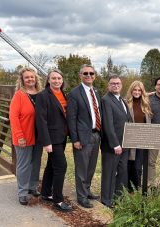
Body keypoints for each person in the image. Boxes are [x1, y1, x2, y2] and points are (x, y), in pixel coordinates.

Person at [35, 69, 72, 212]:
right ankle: (58, 200)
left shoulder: (63, 94)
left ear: (62, 80)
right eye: (54, 78)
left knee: (51, 165)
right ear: (48, 80)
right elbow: (41, 120)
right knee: (61, 166)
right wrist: (46, 142)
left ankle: (45, 192)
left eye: (59, 78)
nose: (57, 81)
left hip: (62, 136)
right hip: (52, 138)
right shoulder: (43, 96)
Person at [67, 64, 101, 208]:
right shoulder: (75, 93)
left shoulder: (96, 92)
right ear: (80, 75)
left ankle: (87, 191)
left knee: (91, 167)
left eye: (91, 73)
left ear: (94, 76)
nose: (89, 76)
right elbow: (71, 118)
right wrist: (75, 139)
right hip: (82, 137)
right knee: (82, 168)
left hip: (96, 134)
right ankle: (81, 196)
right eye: (85, 73)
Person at [9, 67, 43, 205]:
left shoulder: (41, 94)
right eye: (27, 77)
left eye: (32, 76)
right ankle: (22, 192)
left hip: (39, 136)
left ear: (36, 78)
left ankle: (32, 187)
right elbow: (13, 116)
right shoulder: (19, 95)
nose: (30, 79)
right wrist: (19, 136)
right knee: (23, 165)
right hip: (23, 136)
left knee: (36, 162)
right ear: (22, 80)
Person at [101, 74, 132, 208]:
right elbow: (108, 124)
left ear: (121, 85)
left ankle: (119, 197)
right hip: (112, 146)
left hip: (124, 144)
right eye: (113, 83)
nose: (115, 85)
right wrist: (115, 144)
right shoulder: (106, 100)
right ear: (109, 86)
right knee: (109, 172)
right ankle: (106, 200)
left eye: (118, 83)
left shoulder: (122, 100)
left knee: (122, 171)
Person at [125, 81, 152, 192]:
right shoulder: (126, 103)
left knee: (137, 166)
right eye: (135, 90)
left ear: (142, 91)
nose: (137, 92)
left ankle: (137, 186)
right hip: (130, 138)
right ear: (131, 91)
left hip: (142, 139)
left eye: (139, 90)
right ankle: (127, 187)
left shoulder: (146, 104)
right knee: (129, 164)